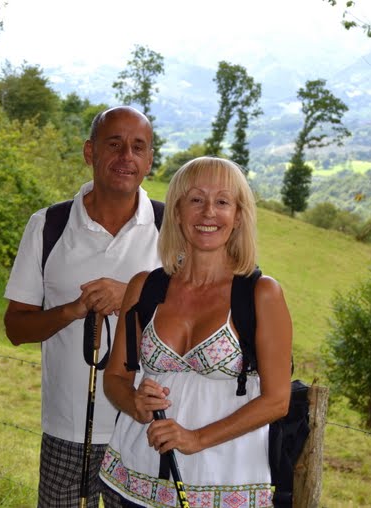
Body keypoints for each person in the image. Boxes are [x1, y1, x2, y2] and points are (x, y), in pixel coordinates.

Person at [99, 156, 293, 507]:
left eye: (222, 202)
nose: (208, 213)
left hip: (227, 485)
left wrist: (196, 439)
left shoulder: (261, 294)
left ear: (237, 216)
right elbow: (115, 377)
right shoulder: (144, 288)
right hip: (136, 479)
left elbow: (278, 401)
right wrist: (135, 404)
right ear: (176, 211)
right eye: (196, 200)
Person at [4, 106, 162, 507]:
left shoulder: (172, 227)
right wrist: (71, 310)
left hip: (147, 426)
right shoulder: (48, 225)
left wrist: (130, 294)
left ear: (149, 161)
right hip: (68, 429)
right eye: (114, 144)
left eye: (138, 147)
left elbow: (196, 313)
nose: (126, 157)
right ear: (90, 152)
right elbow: (16, 328)